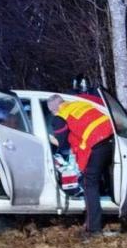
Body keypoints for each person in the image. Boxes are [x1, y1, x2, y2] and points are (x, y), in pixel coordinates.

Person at [47, 94, 115, 240]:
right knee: (105, 176)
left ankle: (93, 229)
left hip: (95, 146)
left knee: (88, 183)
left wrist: (50, 139)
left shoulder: (60, 117)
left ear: (54, 110)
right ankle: (113, 206)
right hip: (112, 141)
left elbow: (63, 144)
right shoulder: (80, 104)